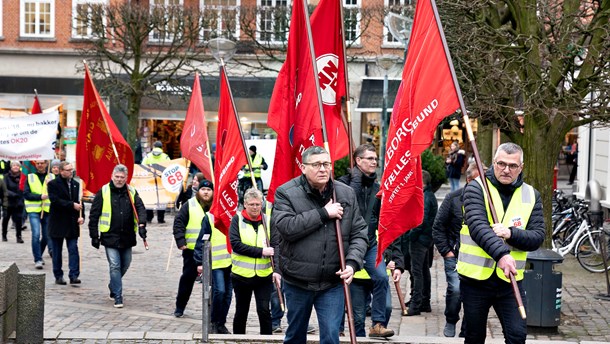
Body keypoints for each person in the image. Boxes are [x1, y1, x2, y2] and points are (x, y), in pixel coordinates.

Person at [272, 146, 368, 344]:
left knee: (332, 336)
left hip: (332, 282)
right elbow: (286, 227)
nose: (323, 169)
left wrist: (352, 263)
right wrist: (324, 214)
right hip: (298, 280)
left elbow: (359, 232)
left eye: (326, 164)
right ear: (304, 168)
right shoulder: (286, 193)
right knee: (295, 336)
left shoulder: (346, 194)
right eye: (316, 165)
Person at [458, 142, 545, 344]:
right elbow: (478, 228)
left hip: (510, 281)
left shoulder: (532, 195)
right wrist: (502, 255)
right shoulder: (475, 188)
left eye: (512, 166)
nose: (506, 170)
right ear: (493, 164)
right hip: (475, 280)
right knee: (474, 336)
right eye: (501, 164)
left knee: (517, 336)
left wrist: (511, 234)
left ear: (521, 167)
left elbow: (537, 236)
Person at [337, 144, 396, 337]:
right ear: (358, 161)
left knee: (381, 277)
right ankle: (337, 327)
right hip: (345, 243)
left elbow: (384, 221)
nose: (374, 162)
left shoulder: (377, 188)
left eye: (375, 159)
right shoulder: (342, 183)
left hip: (369, 242)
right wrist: (355, 181)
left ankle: (378, 324)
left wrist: (395, 254)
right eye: (369, 158)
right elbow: (345, 206)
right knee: (339, 284)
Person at [432, 162, 481, 337]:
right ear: (468, 180)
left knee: (474, 294)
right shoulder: (453, 198)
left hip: (479, 257)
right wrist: (446, 251)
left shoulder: (488, 200)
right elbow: (438, 227)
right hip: (455, 254)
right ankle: (451, 319)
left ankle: (467, 328)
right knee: (456, 289)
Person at [88, 164, 147, 308]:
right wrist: (94, 235)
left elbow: (140, 208)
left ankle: (113, 285)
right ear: (112, 176)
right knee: (115, 265)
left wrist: (142, 224)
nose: (119, 180)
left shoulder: (132, 191)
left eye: (122, 177)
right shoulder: (104, 191)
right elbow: (94, 215)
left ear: (126, 178)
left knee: (125, 264)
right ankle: (118, 296)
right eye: (117, 177)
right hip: (110, 236)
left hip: (127, 236)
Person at [229, 188, 277, 334]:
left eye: (257, 204)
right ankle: (238, 339)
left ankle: (267, 340)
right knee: (241, 311)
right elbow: (236, 245)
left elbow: (276, 245)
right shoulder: (237, 219)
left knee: (264, 311)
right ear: (245, 204)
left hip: (264, 276)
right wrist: (261, 252)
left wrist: (278, 271)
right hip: (241, 276)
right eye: (251, 204)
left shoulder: (268, 220)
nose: (255, 207)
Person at [193, 180, 233, 334]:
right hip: (215, 263)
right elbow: (201, 241)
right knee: (219, 292)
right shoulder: (209, 218)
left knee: (228, 295)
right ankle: (214, 321)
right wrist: (199, 261)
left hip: (231, 263)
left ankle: (221, 322)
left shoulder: (232, 216)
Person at [173, 179, 214, 318]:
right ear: (199, 191)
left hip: (213, 251)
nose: (206, 192)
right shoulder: (189, 205)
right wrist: (180, 241)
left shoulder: (216, 206)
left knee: (215, 283)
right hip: (191, 250)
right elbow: (179, 223)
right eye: (203, 190)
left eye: (209, 190)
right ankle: (180, 306)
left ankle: (213, 312)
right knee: (187, 279)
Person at [405, 170, 438, 316]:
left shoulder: (425, 197)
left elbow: (420, 219)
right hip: (426, 238)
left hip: (420, 239)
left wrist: (411, 236)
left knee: (416, 271)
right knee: (424, 270)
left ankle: (416, 304)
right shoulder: (429, 195)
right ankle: (424, 301)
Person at [47, 162, 84, 285]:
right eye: (68, 170)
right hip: (58, 222)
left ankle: (74, 274)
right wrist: (71, 205)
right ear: (61, 171)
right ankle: (58, 275)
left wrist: (81, 216)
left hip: (72, 223)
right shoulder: (53, 184)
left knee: (73, 249)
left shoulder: (76, 184)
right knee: (57, 251)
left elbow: (79, 202)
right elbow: (55, 201)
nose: (71, 172)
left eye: (72, 170)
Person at [24, 160, 52, 269]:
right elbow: (26, 194)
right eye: (38, 163)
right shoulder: (30, 177)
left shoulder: (51, 177)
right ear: (36, 165)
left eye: (42, 163)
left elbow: (56, 193)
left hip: (47, 210)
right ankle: (38, 259)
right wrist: (39, 197)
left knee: (46, 236)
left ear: (46, 164)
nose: (40, 165)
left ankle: (39, 252)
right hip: (34, 210)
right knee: (36, 234)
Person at [142, 141, 170, 223]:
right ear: (162, 147)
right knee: (161, 199)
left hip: (150, 181)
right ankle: (160, 218)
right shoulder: (165, 157)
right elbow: (169, 168)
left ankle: (149, 217)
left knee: (149, 199)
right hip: (161, 181)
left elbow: (142, 167)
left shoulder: (147, 156)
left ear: (153, 147)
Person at [2, 161, 25, 243]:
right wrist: (13, 194)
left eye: (17, 166)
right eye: (14, 165)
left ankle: (19, 236)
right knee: (6, 218)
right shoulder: (6, 176)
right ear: (11, 167)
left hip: (19, 202)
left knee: (18, 220)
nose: (15, 167)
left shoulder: (23, 176)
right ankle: (4, 234)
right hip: (8, 201)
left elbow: (24, 187)